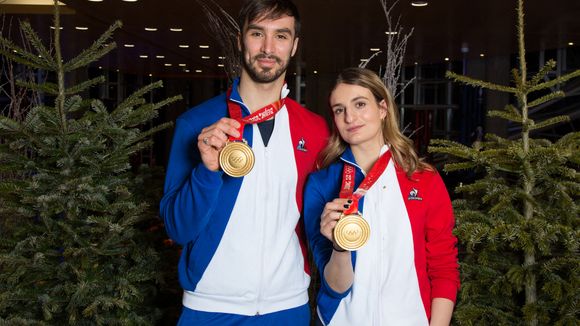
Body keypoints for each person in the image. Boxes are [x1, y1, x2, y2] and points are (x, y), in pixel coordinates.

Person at [159, 0, 329, 325]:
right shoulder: (197, 124)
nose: (268, 47)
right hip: (210, 308)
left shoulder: (316, 131)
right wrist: (206, 170)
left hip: (287, 307)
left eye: (281, 36)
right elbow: (178, 229)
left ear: (294, 46)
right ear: (240, 40)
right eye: (257, 34)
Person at [304, 67, 459, 326]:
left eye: (360, 104)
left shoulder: (424, 179)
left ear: (383, 109)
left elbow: (443, 267)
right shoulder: (321, 185)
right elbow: (335, 287)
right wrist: (340, 248)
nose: (350, 117)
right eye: (339, 109)